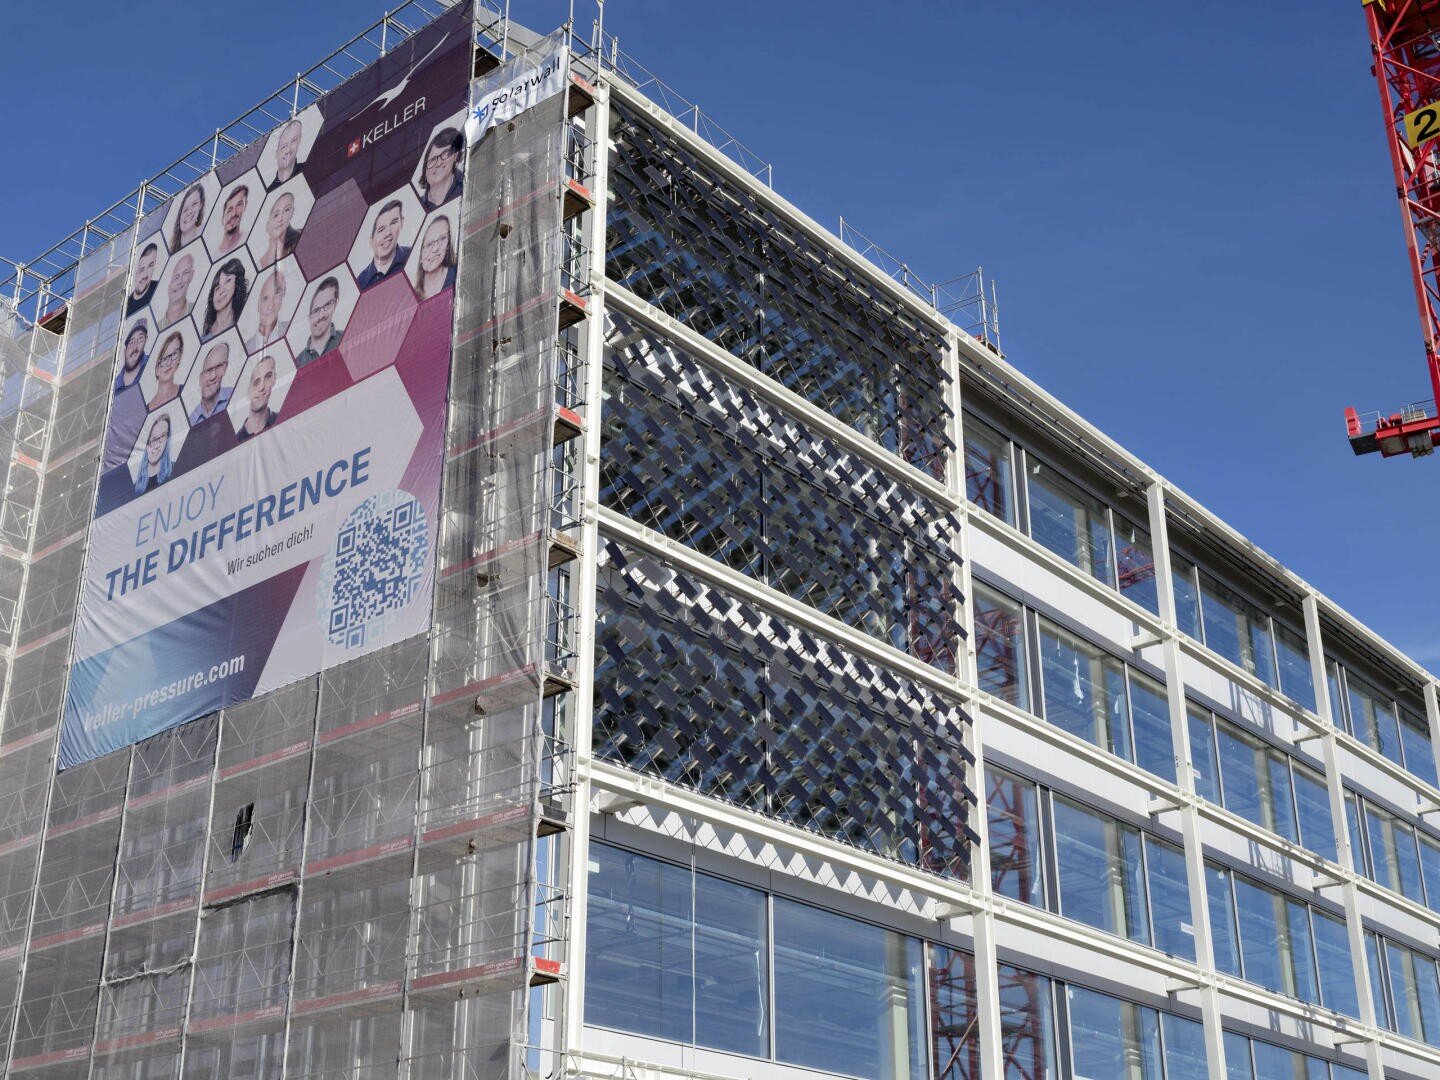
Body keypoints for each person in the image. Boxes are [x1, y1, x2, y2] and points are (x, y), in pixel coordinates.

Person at [356, 200, 409, 290]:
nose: (388, 233)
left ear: (401, 223)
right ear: (371, 241)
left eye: (393, 223)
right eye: (381, 230)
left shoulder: (412, 255)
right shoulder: (361, 282)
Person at [295, 277, 343, 367]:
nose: (321, 316)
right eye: (316, 310)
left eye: (327, 305)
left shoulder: (346, 338)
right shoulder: (299, 362)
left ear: (335, 304)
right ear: (308, 317)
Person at [202, 259, 249, 340]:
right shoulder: (204, 338)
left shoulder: (243, 326)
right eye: (217, 288)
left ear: (237, 285)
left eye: (228, 281)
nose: (221, 292)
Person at [418, 128, 463, 211]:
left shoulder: (466, 188)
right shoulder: (417, 207)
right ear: (425, 170)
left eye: (445, 154)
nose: (439, 163)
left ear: (456, 156)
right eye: (433, 160)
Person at [236, 355, 279, 441]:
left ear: (274, 379)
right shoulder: (237, 440)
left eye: (268, 377)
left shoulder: (281, 418)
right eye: (256, 382)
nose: (262, 387)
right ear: (247, 391)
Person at [413, 215, 457, 300]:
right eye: (429, 244)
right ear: (420, 253)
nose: (436, 249)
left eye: (442, 239)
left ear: (448, 245)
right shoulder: (412, 296)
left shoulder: (457, 273)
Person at [189, 342, 233, 423]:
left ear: (225, 368)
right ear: (200, 378)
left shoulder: (234, 395)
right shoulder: (192, 419)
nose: (213, 377)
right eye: (208, 370)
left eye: (218, 367)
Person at [245, 271, 289, 352]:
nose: (271, 305)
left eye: (276, 295)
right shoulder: (246, 349)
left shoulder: (289, 328)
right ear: (258, 304)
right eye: (265, 298)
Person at [257, 191, 301, 269]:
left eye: (286, 210)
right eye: (276, 215)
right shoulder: (258, 266)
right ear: (267, 225)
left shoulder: (299, 241)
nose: (280, 219)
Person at [134, 414, 174, 494]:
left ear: (167, 440)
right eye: (153, 439)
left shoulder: (174, 470)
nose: (156, 445)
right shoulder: (136, 487)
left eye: (162, 437)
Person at [147, 332, 185, 410]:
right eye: (164, 359)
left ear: (179, 358)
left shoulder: (185, 390)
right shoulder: (147, 409)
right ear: (157, 369)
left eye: (174, 354)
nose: (169, 363)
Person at [266, 119, 305, 191]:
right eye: (283, 146)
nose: (288, 150)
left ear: (299, 141)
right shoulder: (270, 190)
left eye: (293, 141)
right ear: (276, 153)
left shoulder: (308, 170)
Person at [159, 252, 197, 328]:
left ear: (191, 275)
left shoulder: (196, 310)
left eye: (185, 273)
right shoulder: (158, 326)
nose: (179, 281)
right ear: (168, 286)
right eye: (176, 277)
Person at [214, 184, 250, 257]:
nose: (234, 213)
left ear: (245, 206)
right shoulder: (214, 256)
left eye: (239, 205)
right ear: (222, 219)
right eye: (229, 210)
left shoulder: (249, 238)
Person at [114, 320, 149, 393]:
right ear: (124, 351)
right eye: (131, 342)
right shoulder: (113, 388)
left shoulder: (152, 364)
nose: (135, 347)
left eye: (140, 339)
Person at [126, 244, 160, 316]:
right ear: (134, 272)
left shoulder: (159, 289)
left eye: (150, 266)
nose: (145, 275)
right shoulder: (125, 307)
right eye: (142, 269)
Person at [170, 184, 206, 250]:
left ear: (200, 206)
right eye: (185, 209)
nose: (189, 212)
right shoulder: (170, 250)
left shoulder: (206, 232)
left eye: (194, 204)